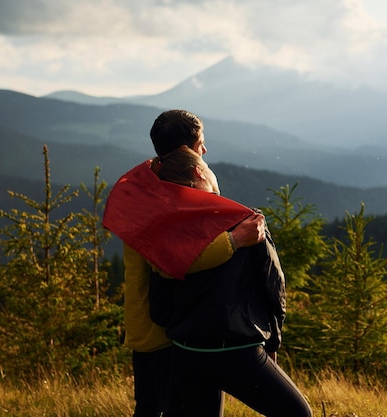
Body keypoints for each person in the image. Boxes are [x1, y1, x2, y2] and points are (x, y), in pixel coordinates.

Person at [103, 109, 266, 417]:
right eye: (200, 143)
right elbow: (173, 260)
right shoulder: (165, 198)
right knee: (162, 410)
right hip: (160, 331)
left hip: (146, 325)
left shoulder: (146, 183)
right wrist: (236, 240)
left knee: (155, 408)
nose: (204, 151)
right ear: (185, 150)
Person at [150, 146, 313, 417]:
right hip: (237, 351)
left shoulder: (165, 231)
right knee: (297, 413)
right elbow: (273, 286)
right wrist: (271, 342)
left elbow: (159, 304)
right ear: (198, 171)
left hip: (186, 351)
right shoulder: (247, 222)